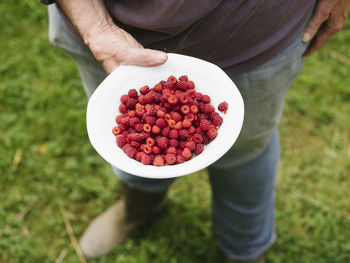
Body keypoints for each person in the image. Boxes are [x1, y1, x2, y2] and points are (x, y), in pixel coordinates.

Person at [40, 0, 350, 262]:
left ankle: (245, 246)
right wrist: (97, 28)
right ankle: (140, 207)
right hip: (100, 27)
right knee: (132, 161)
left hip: (257, 33)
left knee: (246, 152)